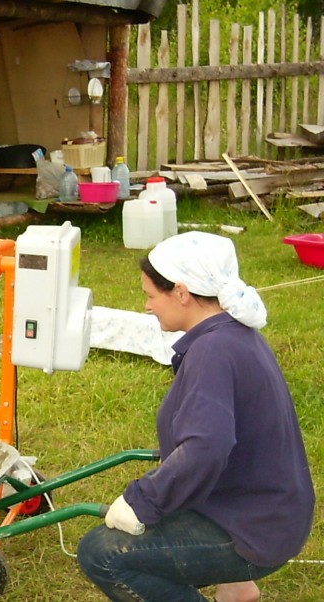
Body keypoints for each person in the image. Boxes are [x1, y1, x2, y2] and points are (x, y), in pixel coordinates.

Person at [76, 231, 315, 602]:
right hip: (268, 510)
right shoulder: (234, 333)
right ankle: (238, 590)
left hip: (254, 527)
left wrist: (143, 500)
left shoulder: (213, 351)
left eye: (151, 296)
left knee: (102, 553)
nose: (147, 306)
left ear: (182, 293)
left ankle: (236, 574)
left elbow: (207, 446)